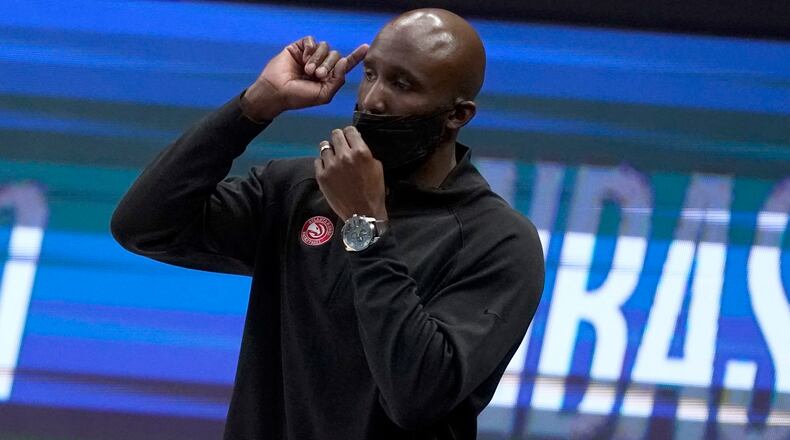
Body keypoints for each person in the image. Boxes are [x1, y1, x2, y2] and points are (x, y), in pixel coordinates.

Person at [111, 8, 544, 440]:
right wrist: (255, 106)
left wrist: (364, 227)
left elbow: (415, 396)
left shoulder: (499, 242)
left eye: (402, 84)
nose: (373, 99)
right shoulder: (298, 188)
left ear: (458, 115)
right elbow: (143, 225)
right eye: (370, 74)